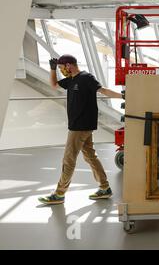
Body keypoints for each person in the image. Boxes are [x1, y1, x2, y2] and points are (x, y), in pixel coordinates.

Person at [38, 55, 123, 205]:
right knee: (90, 156)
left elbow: (103, 90)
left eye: (62, 67)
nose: (62, 70)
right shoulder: (70, 80)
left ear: (69, 65)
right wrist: (52, 70)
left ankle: (59, 194)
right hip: (80, 125)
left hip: (80, 126)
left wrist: (122, 96)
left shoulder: (86, 77)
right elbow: (54, 84)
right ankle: (105, 188)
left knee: (68, 159)